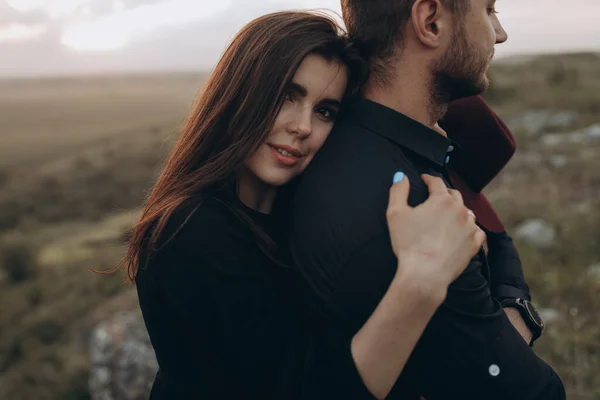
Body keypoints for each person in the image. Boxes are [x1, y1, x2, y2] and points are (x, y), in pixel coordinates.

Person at [121, 11, 486, 400]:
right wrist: (422, 280)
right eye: (286, 97)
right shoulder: (190, 230)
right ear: (240, 93)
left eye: (325, 110)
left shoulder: (308, 205)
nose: (303, 126)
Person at [287, 1, 566, 399]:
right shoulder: (403, 211)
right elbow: (534, 392)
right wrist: (519, 318)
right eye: (487, 11)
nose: (499, 33)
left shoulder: (401, 141)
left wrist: (514, 306)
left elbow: (492, 232)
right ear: (430, 21)